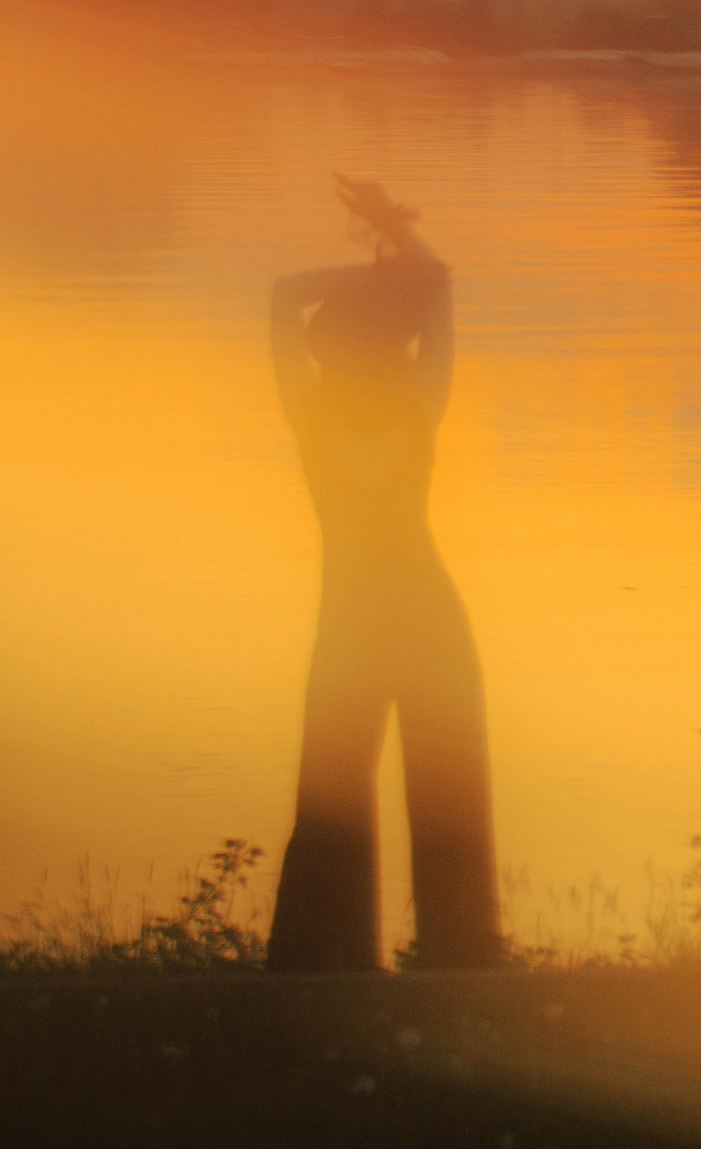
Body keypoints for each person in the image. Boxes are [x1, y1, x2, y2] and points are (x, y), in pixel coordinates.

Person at [264, 174, 500, 970]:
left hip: (352, 624)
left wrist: (367, 277)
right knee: (448, 797)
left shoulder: (311, 413)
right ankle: (461, 956)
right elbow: (437, 290)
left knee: (331, 799)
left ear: (326, 352)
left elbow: (280, 296)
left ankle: (323, 963)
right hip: (429, 616)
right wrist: (392, 237)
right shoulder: (419, 405)